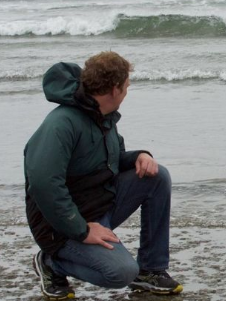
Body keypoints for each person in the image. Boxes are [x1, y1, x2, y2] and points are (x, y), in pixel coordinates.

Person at [24, 51, 182, 300]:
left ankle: (151, 271)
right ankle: (51, 263)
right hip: (62, 227)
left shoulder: (102, 115)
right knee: (120, 273)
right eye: (127, 84)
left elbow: (113, 159)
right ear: (115, 89)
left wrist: (140, 156)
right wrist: (82, 230)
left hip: (98, 204)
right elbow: (44, 184)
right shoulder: (61, 124)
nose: (129, 89)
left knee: (156, 176)